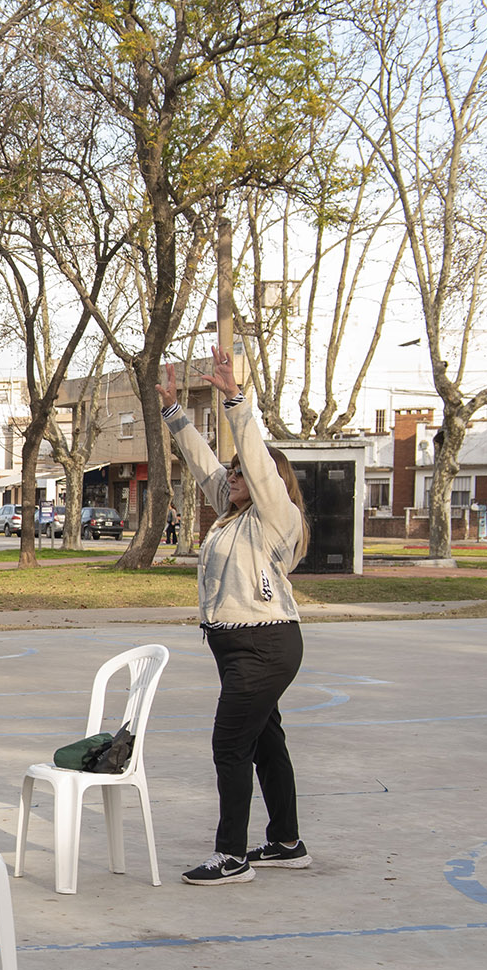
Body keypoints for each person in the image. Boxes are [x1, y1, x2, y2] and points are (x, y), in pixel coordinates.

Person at [159, 345, 311, 886]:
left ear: (264, 478)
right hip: (239, 647)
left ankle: (232, 856)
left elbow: (256, 459)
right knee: (265, 740)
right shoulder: (233, 512)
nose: (231, 476)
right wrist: (174, 413)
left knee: (230, 745)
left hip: (264, 646)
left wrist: (235, 401)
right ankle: (287, 843)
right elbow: (204, 461)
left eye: (241, 472)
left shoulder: (275, 515)